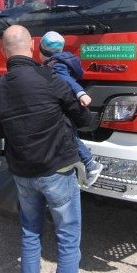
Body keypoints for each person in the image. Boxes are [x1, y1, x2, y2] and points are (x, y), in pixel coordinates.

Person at [0, 24, 96, 273]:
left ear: (4, 50)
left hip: (23, 175)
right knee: (67, 241)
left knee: (30, 234)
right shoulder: (49, 78)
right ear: (33, 45)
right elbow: (83, 120)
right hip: (58, 172)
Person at [39, 31, 103, 187]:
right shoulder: (66, 60)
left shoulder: (56, 65)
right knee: (71, 135)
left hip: (67, 103)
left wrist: (81, 93)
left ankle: (90, 164)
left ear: (41, 51)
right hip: (69, 102)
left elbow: (67, 80)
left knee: (70, 136)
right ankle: (83, 160)